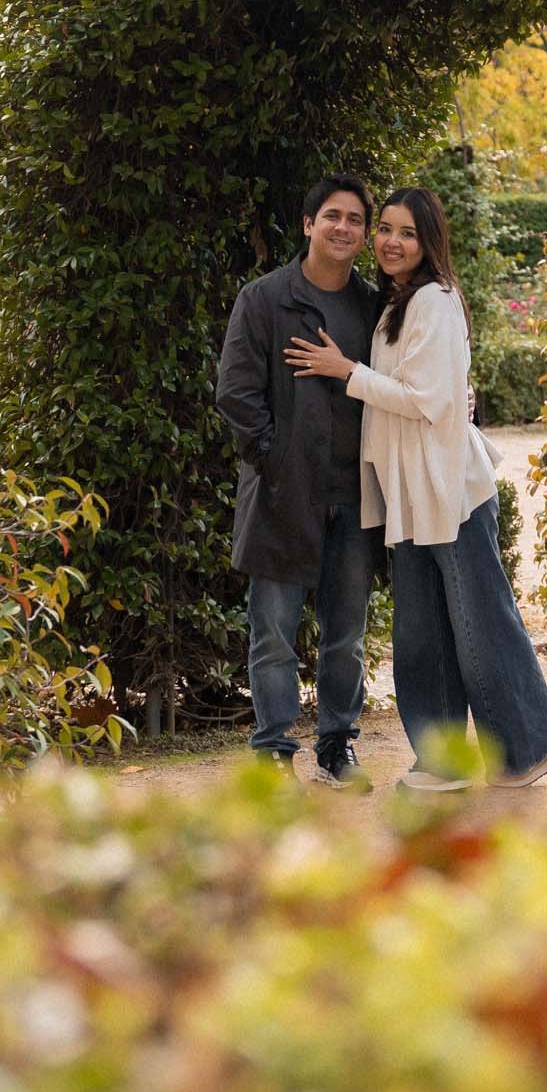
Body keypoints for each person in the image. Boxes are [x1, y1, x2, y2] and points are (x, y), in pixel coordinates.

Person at [286, 185, 547, 791]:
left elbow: (431, 401)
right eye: (385, 229)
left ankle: (528, 749)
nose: (390, 241)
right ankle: (441, 760)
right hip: (409, 495)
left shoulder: (436, 301)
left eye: (406, 233)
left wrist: (347, 373)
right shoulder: (398, 302)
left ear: (429, 240)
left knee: (477, 627)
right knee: (422, 632)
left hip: (450, 492)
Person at [215, 176, 385, 785]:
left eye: (356, 220)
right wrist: (274, 457)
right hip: (282, 494)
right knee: (274, 637)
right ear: (308, 223)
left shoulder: (373, 307)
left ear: (364, 235)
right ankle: (272, 752)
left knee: (346, 637)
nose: (344, 227)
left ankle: (337, 747)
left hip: (355, 495)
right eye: (332, 216)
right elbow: (235, 393)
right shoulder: (263, 300)